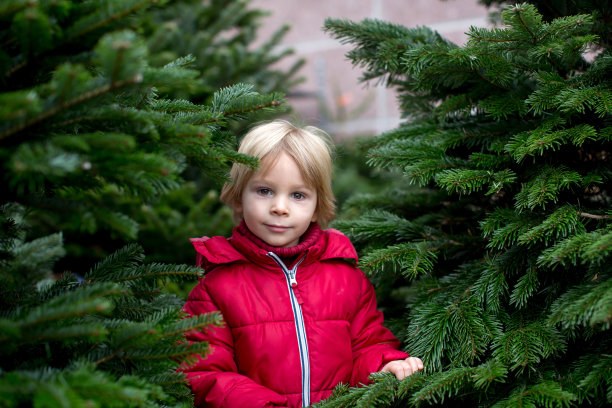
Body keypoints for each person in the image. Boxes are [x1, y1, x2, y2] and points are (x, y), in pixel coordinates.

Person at [181, 120, 423, 408]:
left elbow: (366, 345)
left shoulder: (346, 278)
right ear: (238, 197)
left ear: (316, 207)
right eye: (264, 191)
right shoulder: (216, 286)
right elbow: (204, 372)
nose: (280, 207)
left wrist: (385, 365)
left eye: (298, 195)